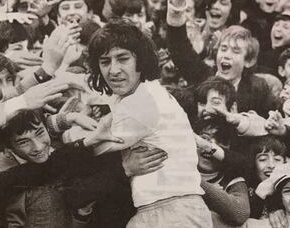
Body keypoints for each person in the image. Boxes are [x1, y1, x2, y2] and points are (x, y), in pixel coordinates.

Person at [86, 19, 213, 227]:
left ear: (141, 60)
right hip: (163, 210)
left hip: (172, 213)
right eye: (105, 61)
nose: (113, 70)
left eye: (122, 58)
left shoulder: (142, 101)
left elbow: (96, 148)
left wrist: (70, 131)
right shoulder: (147, 91)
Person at [167, 0, 280, 118]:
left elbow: (277, 115)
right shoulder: (203, 76)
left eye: (236, 51)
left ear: (248, 61)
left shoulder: (258, 88)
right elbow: (178, 46)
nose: (227, 55)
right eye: (224, 48)